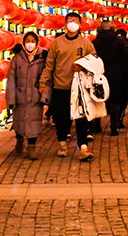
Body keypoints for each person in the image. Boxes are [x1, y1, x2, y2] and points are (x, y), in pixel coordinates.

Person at [39, 12, 96, 160]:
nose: (72, 23)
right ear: (65, 24)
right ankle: (62, 143)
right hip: (61, 86)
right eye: (69, 21)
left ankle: (83, 147)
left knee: (81, 117)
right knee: (61, 117)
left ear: (80, 24)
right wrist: (42, 82)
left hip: (79, 88)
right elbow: (49, 65)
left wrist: (83, 66)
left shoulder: (86, 43)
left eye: (75, 21)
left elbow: (95, 61)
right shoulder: (57, 43)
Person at [6, 32, 47, 160]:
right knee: (19, 121)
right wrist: (11, 99)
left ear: (37, 42)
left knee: (34, 123)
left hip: (35, 96)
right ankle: (19, 139)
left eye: (32, 41)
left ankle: (31, 147)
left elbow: (47, 78)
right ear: (23, 43)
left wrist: (44, 96)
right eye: (27, 41)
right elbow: (11, 80)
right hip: (20, 96)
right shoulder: (17, 58)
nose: (30, 43)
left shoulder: (42, 57)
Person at [94, 22, 128, 135]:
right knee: (114, 101)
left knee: (98, 99)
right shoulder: (119, 41)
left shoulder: (95, 42)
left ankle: (97, 125)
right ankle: (114, 128)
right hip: (115, 72)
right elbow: (126, 58)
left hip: (99, 72)